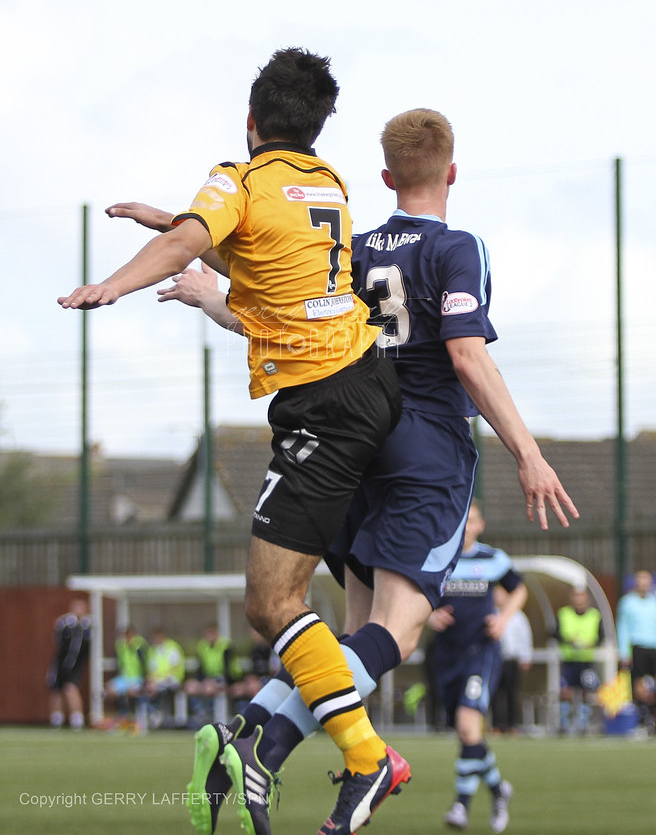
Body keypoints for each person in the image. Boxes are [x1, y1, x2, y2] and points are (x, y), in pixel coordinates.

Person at [133, 107, 578, 835]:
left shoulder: (355, 246)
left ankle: (258, 738)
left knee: (349, 641)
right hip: (425, 448)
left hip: (352, 439)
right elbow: (466, 354)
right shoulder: (458, 247)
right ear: (452, 172)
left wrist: (204, 281)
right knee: (395, 639)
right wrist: (529, 453)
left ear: (384, 177)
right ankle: (258, 741)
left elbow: (282, 311)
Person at [59, 48, 406, 835]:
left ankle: (359, 754)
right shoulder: (329, 185)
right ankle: (276, 741)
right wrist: (177, 229)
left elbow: (199, 243)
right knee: (317, 604)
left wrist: (118, 280)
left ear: (250, 122)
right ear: (317, 122)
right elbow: (259, 258)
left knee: (271, 601)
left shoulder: (238, 178)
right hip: (367, 386)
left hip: (325, 407)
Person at [426, 501, 526, 833]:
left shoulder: (493, 559)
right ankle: (498, 790)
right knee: (467, 735)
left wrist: (504, 618)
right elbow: (414, 595)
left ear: (480, 526)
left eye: (471, 521)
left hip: (481, 653)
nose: (465, 526)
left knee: (469, 727)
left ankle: (461, 807)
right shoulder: (436, 558)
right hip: (446, 655)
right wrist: (428, 615)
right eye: (460, 521)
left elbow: (519, 589)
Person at [552, 588, 604, 735]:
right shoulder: (564, 614)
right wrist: (569, 641)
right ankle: (564, 722)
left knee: (585, 691)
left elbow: (601, 637)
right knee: (566, 691)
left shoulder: (595, 615)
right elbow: (554, 633)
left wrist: (590, 644)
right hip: (568, 659)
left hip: (586, 660)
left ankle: (583, 723)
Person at [616, 569, 656, 734]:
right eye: (640, 579)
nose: (644, 583)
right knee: (639, 684)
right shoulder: (627, 602)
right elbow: (622, 627)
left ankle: (652, 720)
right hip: (638, 647)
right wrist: (624, 651)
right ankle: (642, 720)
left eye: (646, 579)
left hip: (654, 646)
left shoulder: (654, 601)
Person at [491, 586, 533, 734]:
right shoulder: (491, 614)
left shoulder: (518, 616)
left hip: (511, 659)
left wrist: (525, 657)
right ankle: (496, 725)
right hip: (495, 660)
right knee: (495, 693)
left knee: (512, 693)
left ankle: (512, 725)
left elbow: (525, 638)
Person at [46, 596, 92, 730]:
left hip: (76, 663)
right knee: (56, 689)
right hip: (61, 662)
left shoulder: (87, 625)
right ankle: (56, 719)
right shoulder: (64, 623)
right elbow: (57, 641)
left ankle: (77, 720)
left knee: (71, 688)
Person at [185, 624, 244, 726]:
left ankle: (213, 718)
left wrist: (222, 682)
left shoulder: (226, 646)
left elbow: (229, 669)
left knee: (209, 689)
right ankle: (199, 715)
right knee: (191, 687)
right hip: (208, 679)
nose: (210, 636)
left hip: (223, 679)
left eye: (212, 633)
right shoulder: (202, 647)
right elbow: (200, 669)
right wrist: (201, 681)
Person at [142, 627, 186, 727]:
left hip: (173, 679)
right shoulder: (153, 650)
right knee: (148, 687)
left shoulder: (173, 648)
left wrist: (157, 679)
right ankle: (152, 715)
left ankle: (157, 714)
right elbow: (151, 669)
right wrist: (150, 679)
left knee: (158, 688)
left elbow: (174, 668)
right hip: (158, 681)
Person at [104, 624, 148, 718]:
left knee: (131, 691)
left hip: (137, 678)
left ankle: (133, 714)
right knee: (109, 689)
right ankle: (121, 713)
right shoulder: (121, 646)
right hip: (125, 678)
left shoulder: (140, 647)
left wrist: (145, 680)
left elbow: (145, 664)